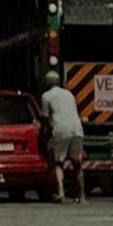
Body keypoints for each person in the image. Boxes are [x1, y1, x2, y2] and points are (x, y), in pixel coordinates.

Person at [42, 70, 85, 204]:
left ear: (47, 83)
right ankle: (82, 196)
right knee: (77, 164)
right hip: (76, 129)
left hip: (61, 129)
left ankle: (61, 193)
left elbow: (45, 117)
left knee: (58, 163)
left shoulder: (46, 96)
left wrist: (45, 130)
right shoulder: (69, 94)